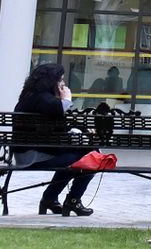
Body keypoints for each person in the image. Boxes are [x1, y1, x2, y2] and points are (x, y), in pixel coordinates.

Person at [13, 62, 97, 217]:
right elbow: (58, 110)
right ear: (51, 81)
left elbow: (56, 129)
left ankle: (51, 199)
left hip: (28, 152)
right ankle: (71, 200)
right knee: (90, 158)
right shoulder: (43, 99)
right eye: (60, 80)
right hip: (33, 155)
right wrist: (66, 98)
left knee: (80, 157)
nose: (63, 84)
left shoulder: (31, 96)